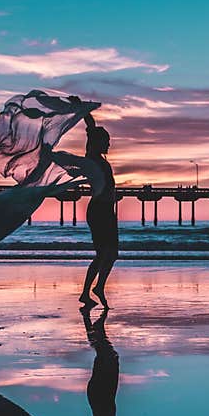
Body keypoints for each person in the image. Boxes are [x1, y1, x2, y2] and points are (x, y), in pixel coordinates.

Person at [69, 95, 117, 309]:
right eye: (106, 141)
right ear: (98, 142)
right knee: (104, 253)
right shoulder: (92, 157)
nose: (108, 144)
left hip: (107, 210)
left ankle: (95, 289)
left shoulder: (100, 159)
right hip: (99, 211)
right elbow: (91, 126)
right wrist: (80, 108)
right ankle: (89, 291)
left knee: (112, 253)